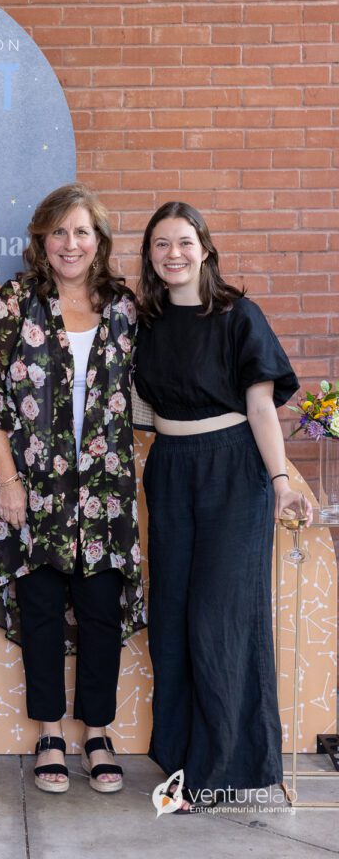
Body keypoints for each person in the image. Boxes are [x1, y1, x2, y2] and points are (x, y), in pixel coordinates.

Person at [0, 183, 145, 795]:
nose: (71, 244)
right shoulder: (17, 301)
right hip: (30, 487)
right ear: (42, 239)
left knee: (100, 612)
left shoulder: (123, 307)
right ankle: (47, 732)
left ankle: (96, 733)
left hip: (105, 492)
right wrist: (8, 482)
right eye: (60, 232)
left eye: (82, 233)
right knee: (40, 612)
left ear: (99, 243)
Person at [134, 200, 311, 810]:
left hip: (234, 472)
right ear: (149, 255)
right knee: (174, 618)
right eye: (161, 244)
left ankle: (223, 770)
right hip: (170, 471)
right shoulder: (145, 321)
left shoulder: (240, 316)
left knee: (220, 617)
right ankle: (183, 760)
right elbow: (134, 406)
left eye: (184, 242)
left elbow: (262, 406)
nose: (173, 254)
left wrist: (282, 479)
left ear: (205, 248)